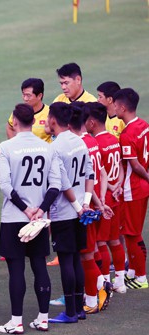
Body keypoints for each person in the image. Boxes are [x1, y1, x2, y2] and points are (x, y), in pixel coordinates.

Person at [0, 104, 60, 334]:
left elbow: (5, 186)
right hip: (39, 220)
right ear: (34, 122)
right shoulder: (47, 147)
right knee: (39, 266)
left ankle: (16, 321)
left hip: (14, 217)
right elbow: (56, 185)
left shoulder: (5, 147)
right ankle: (43, 318)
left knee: (16, 270)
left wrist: (25, 209)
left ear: (13, 121)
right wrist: (39, 210)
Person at [45, 102, 94, 323]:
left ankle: (71, 312)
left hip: (64, 212)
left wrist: (76, 206)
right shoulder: (80, 142)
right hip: (79, 211)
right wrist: (85, 204)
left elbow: (62, 183)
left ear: (54, 120)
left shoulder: (55, 148)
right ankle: (80, 308)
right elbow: (89, 174)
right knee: (76, 258)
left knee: (66, 260)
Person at [68, 103, 113, 314]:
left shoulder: (79, 145)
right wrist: (102, 200)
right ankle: (96, 289)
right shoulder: (93, 141)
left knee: (85, 255)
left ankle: (96, 294)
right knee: (92, 250)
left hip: (85, 207)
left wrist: (94, 201)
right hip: (94, 203)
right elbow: (102, 173)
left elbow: (89, 178)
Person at [83, 102, 127, 294]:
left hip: (104, 198)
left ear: (91, 122)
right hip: (116, 195)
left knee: (99, 244)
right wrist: (117, 184)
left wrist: (108, 189)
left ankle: (103, 284)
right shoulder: (113, 138)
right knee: (115, 240)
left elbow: (99, 173)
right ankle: (120, 280)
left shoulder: (96, 143)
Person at [113, 88, 149, 290]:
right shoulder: (144, 125)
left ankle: (141, 277)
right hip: (141, 188)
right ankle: (133, 272)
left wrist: (146, 176)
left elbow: (135, 165)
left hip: (133, 188)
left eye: (116, 105)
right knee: (133, 232)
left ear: (123, 107)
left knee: (131, 233)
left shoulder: (127, 134)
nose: (114, 108)